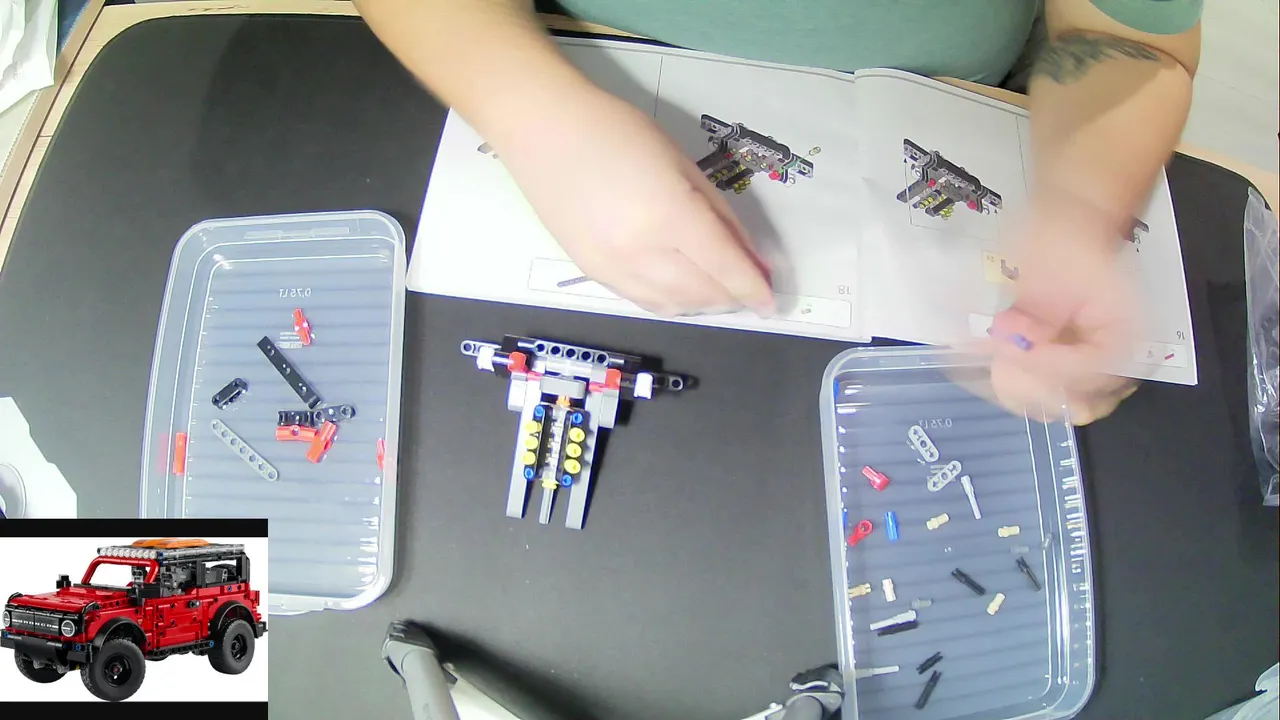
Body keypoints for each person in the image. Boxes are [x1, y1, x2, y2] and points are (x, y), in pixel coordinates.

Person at [355, 0, 1202, 424]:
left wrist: (1084, 207)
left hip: (959, 117)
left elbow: (1132, 39)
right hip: (554, 60)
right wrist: (534, 116)